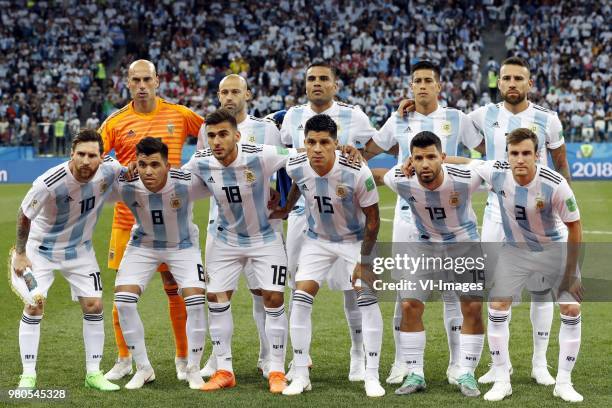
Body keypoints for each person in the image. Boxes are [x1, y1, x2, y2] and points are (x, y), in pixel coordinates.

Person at [364, 60, 482, 385]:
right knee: (406, 296)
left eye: (428, 80)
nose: (423, 86)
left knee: (453, 295)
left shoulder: (458, 118)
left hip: (453, 217)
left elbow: (486, 153)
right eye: (417, 81)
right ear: (411, 86)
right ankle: (403, 363)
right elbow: (370, 151)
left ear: (439, 85)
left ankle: (458, 365)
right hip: (407, 218)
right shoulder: (398, 118)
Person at [447, 128, 583, 402]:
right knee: (497, 306)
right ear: (507, 155)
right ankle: (502, 379)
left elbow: (575, 227)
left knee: (571, 307)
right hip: (515, 250)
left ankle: (564, 382)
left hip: (553, 249)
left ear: (537, 155)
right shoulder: (497, 171)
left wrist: (570, 274)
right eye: (514, 153)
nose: (519, 159)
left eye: (525, 153)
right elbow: (464, 162)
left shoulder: (555, 183)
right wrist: (436, 158)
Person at [98, 59, 204, 382]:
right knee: (121, 296)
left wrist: (193, 166)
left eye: (147, 79)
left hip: (173, 218)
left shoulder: (180, 115)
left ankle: (183, 357)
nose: (142, 85)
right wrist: (119, 169)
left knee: (175, 290)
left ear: (158, 81)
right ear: (127, 84)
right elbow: (97, 159)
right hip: (127, 219)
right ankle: (124, 359)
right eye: (136, 80)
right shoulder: (115, 122)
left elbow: (212, 138)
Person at [468, 56, 571, 386]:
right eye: (506, 77)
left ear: (530, 83)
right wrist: (411, 106)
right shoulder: (482, 115)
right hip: (496, 214)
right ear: (498, 82)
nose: (512, 83)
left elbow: (561, 164)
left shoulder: (547, 119)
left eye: (518, 78)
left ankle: (540, 363)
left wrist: (559, 206)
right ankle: (501, 367)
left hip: (538, 217)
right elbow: (449, 122)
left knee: (541, 290)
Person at [183, 109, 293, 393]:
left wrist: (341, 149)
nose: (216, 141)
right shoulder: (201, 161)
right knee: (216, 299)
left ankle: (277, 370)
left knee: (273, 297)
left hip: (264, 238)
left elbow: (300, 156)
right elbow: (174, 181)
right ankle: (224, 369)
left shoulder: (261, 154)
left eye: (223, 135)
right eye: (211, 136)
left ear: (237, 136)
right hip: (225, 241)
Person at [280, 60, 377, 382]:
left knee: (355, 288)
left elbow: (372, 148)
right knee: (298, 282)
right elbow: (291, 163)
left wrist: (357, 157)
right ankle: (300, 358)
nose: (317, 83)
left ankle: (358, 353)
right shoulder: (291, 117)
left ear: (335, 84)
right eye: (311, 79)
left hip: (347, 215)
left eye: (324, 79)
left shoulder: (356, 115)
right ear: (304, 83)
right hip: (304, 217)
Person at [11, 129, 123, 391]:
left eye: (92, 155)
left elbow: (129, 174)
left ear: (101, 157)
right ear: (71, 154)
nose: (86, 161)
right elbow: (24, 214)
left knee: (95, 305)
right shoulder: (49, 182)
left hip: (79, 251)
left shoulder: (110, 170)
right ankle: (28, 374)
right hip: (41, 252)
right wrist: (20, 253)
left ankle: (93, 374)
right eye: (80, 154)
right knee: (35, 305)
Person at [381, 131, 485, 397]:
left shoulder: (465, 178)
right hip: (424, 244)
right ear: (410, 160)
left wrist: (455, 162)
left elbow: (491, 164)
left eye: (431, 157)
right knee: (409, 304)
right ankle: (415, 373)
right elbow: (379, 175)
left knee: (472, 306)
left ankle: (467, 373)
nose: (425, 164)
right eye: (418, 158)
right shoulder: (399, 179)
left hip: (464, 243)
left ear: (442, 157)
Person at [197, 74, 283, 378]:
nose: (230, 97)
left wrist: (282, 199)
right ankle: (218, 359)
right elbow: (202, 171)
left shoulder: (265, 129)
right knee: (219, 293)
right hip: (219, 225)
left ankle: (266, 356)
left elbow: (283, 167)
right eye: (224, 92)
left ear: (248, 94)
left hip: (262, 222)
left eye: (235, 91)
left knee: (264, 292)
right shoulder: (206, 129)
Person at [111, 138, 210, 390]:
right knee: (123, 301)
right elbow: (96, 176)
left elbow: (225, 183)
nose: (148, 171)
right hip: (143, 246)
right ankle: (143, 368)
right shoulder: (126, 183)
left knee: (196, 300)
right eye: (142, 164)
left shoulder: (187, 181)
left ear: (167, 164)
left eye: (155, 164)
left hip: (183, 246)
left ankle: (193, 368)